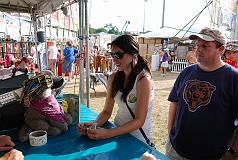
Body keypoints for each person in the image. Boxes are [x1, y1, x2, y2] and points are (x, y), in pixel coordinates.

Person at [166, 27, 238, 159]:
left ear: (220, 49)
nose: (198, 49)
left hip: (212, 155)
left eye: (205, 46)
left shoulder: (233, 78)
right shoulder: (186, 73)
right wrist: (170, 134)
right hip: (176, 151)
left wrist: (233, 150)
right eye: (197, 45)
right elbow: (174, 103)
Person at [77, 34, 154, 143]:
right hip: (117, 132)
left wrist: (107, 133)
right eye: (112, 55)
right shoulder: (114, 77)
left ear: (133, 54)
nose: (114, 59)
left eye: (118, 55)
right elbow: (107, 111)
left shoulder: (143, 80)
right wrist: (94, 124)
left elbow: (139, 121)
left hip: (137, 139)